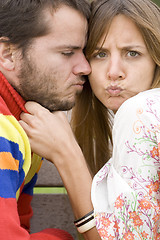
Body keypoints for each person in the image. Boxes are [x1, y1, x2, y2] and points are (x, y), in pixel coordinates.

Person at [19, 0, 160, 239]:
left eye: (133, 53)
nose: (114, 71)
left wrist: (67, 155)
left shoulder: (141, 110)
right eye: (100, 54)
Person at [0, 0, 91, 240]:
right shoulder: (2, 130)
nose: (85, 67)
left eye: (85, 52)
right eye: (67, 53)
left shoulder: (24, 122)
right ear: (7, 55)